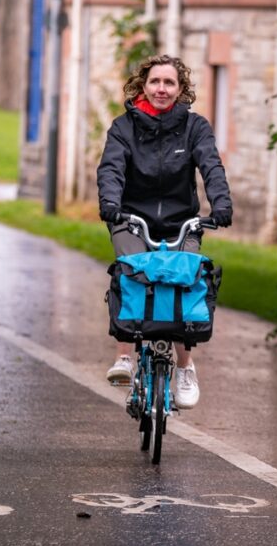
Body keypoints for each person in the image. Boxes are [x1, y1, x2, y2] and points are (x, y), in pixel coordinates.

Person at [96, 54, 233, 409]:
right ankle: (124, 356)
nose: (161, 88)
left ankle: (185, 368)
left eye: (169, 82)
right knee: (132, 272)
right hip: (131, 218)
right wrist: (111, 204)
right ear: (143, 85)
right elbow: (111, 169)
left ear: (181, 88)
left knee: (185, 279)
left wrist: (220, 205)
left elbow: (211, 166)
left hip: (181, 220)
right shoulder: (123, 127)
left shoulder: (195, 127)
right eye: (155, 81)